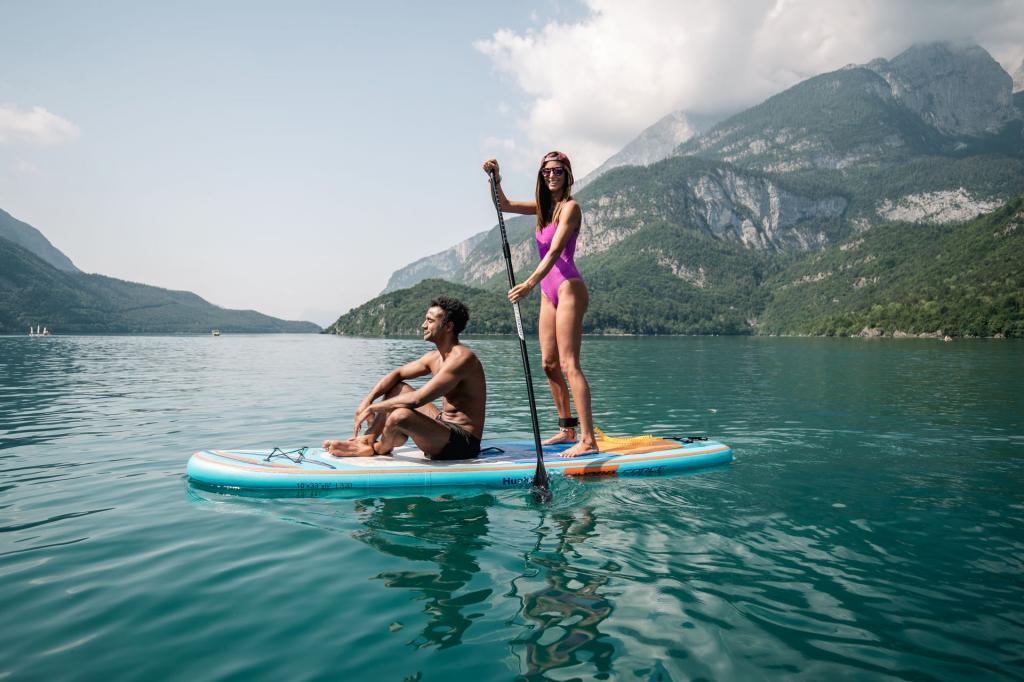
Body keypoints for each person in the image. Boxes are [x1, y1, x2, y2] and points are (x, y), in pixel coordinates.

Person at [482, 151, 598, 457]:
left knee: (568, 364)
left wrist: (530, 283)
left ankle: (588, 439)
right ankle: (566, 428)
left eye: (557, 171)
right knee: (548, 364)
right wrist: (496, 178)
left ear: (567, 175)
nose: (551, 175)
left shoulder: (570, 208)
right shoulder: (542, 209)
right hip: (549, 292)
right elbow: (502, 205)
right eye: (546, 171)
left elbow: (556, 250)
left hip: (568, 286)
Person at [323, 297, 486, 459]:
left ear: (449, 326)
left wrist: (373, 408)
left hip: (464, 442)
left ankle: (379, 448)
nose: (423, 325)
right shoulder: (434, 357)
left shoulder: (462, 359)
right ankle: (366, 440)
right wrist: (367, 400)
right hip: (443, 424)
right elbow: (397, 374)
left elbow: (417, 399)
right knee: (398, 388)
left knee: (400, 415)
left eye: (429, 321)